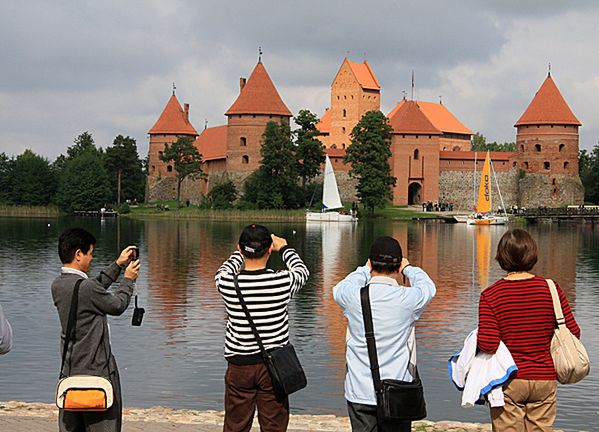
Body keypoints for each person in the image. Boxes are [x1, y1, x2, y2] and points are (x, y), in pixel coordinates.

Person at [477, 229, 581, 431]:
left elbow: (488, 343)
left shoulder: (491, 295)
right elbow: (573, 333)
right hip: (544, 377)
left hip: (509, 379)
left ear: (500, 257)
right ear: (533, 255)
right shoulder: (551, 289)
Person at [333, 236, 436, 432]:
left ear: (371, 264)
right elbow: (428, 287)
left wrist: (364, 270)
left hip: (359, 389)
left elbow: (340, 288)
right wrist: (409, 269)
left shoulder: (353, 296)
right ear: (398, 268)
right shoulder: (407, 299)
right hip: (397, 389)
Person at [216, 224, 310, 432]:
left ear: (240, 249)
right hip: (274, 365)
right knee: (274, 425)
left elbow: (224, 269)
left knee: (235, 424)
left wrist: (239, 253)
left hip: (239, 364)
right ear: (269, 250)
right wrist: (285, 248)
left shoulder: (226, 283)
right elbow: (302, 271)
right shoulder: (282, 281)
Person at [52, 228, 140, 432]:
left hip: (71, 373)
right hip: (98, 374)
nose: (92, 259)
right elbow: (117, 305)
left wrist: (118, 265)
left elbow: (91, 288)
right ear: (78, 254)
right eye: (91, 254)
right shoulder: (86, 288)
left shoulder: (59, 285)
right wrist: (128, 280)